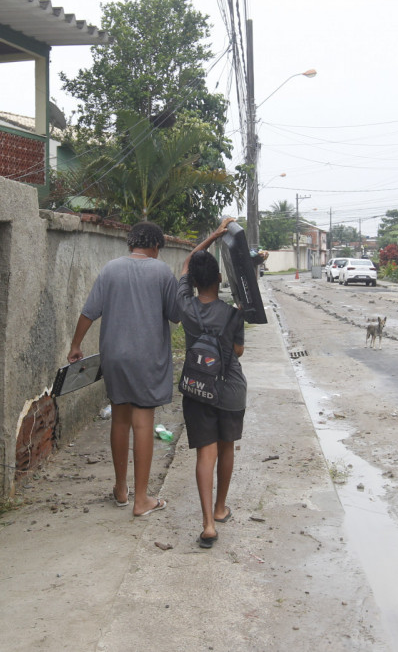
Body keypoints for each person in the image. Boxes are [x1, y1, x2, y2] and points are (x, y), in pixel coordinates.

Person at [68, 221, 178, 517]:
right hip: (147, 358)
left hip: (114, 356)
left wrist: (76, 345)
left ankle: (120, 489)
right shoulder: (162, 271)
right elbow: (176, 315)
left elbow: (89, 311)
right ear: (156, 247)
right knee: (143, 422)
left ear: (131, 243)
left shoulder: (110, 269)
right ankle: (141, 500)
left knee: (120, 419)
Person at [177, 218, 247, 548]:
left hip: (198, 390)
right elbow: (238, 351)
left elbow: (187, 261)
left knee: (205, 455)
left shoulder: (186, 306)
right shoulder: (233, 314)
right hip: (230, 390)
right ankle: (220, 509)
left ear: (192, 281)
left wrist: (213, 236)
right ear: (220, 278)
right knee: (226, 447)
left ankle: (207, 525)